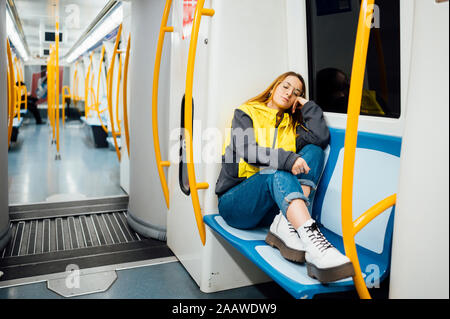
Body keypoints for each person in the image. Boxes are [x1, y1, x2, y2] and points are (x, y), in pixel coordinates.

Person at [215, 71, 354, 283]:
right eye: (286, 87)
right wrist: (288, 160)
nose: (289, 93)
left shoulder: (292, 127)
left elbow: (320, 138)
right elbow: (248, 150)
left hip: (271, 209)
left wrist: (307, 105)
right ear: (273, 87)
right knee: (277, 170)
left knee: (314, 151)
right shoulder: (245, 113)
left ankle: (288, 223)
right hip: (236, 203)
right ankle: (313, 242)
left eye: (296, 93)